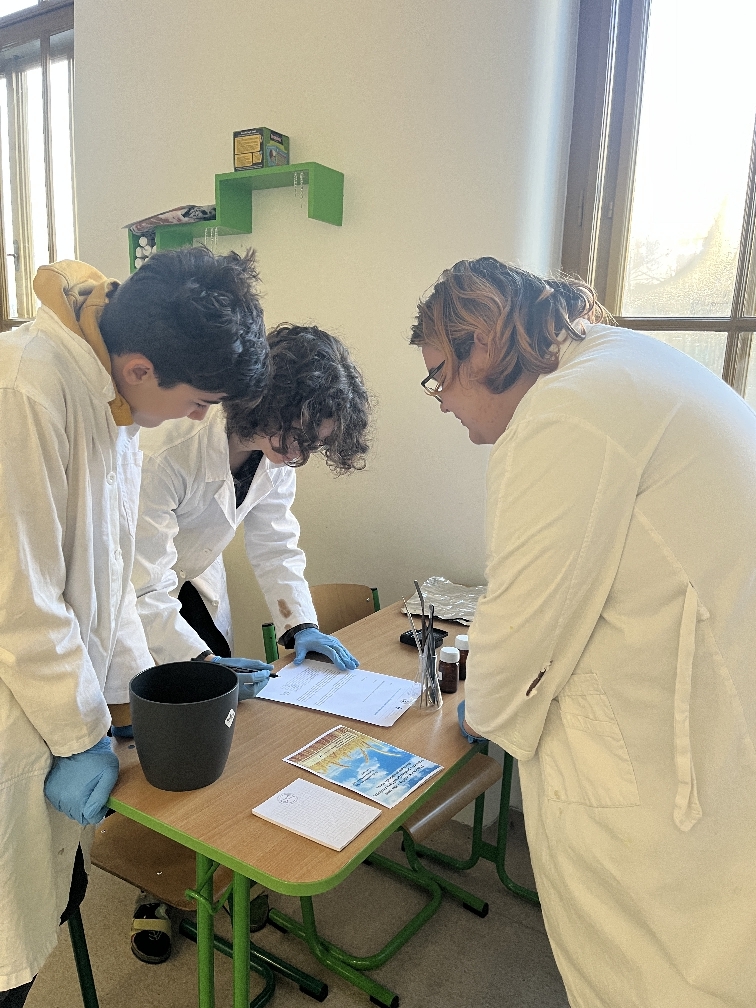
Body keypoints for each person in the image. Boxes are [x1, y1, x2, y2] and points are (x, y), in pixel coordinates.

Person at [410, 257, 756, 1008]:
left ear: (481, 344)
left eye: (439, 376)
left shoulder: (564, 414)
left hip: (660, 759)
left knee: (647, 975)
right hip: (713, 694)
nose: (442, 403)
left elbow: (523, 619)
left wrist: (481, 708)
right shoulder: (626, 364)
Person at [0, 246, 269, 1006]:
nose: (200, 417)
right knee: (6, 934)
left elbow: (112, 583)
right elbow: (21, 601)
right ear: (142, 367)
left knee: (42, 906)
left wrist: (131, 701)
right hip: (14, 705)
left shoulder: (111, 402)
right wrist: (81, 733)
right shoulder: (25, 389)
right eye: (199, 400)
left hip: (49, 700)